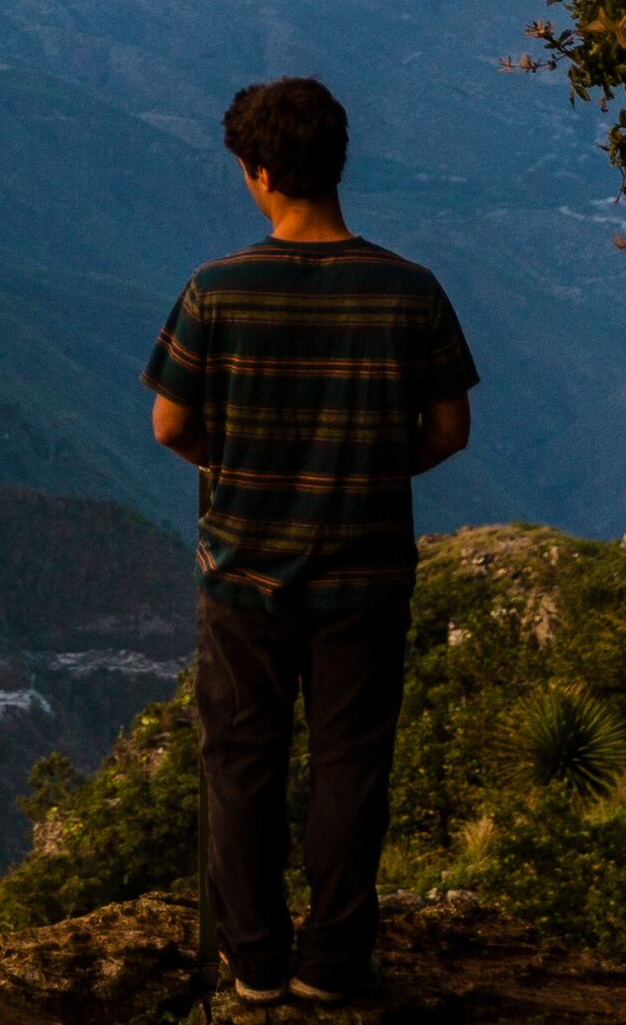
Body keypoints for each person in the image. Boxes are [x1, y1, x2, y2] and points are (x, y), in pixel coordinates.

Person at [144, 77, 480, 1009]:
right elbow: (449, 428)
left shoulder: (215, 289)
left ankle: (252, 960)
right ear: (339, 162)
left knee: (243, 759)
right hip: (366, 574)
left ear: (257, 173)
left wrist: (250, 463)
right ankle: (331, 961)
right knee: (349, 763)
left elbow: (171, 424)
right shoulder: (411, 292)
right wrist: (365, 465)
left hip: (244, 570)